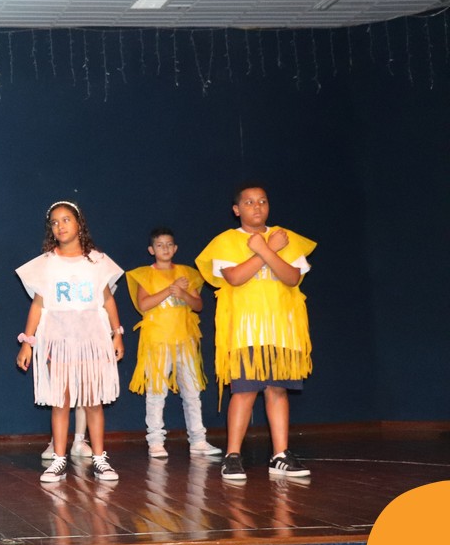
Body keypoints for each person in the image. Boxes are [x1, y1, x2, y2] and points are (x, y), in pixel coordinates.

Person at [196, 185, 315, 481]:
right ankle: (232, 455)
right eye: (249, 202)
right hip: (245, 330)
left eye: (262, 201)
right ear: (237, 210)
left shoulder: (284, 237)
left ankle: (280, 455)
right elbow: (235, 277)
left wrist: (266, 248)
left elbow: (292, 277)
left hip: (281, 328)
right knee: (244, 391)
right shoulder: (226, 241)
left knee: (277, 390)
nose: (257, 206)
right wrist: (267, 249)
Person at [16, 201, 125, 483]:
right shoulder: (46, 263)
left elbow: (107, 300)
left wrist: (117, 333)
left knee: (92, 400)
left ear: (78, 224)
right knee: (60, 401)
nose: (60, 226)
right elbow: (38, 305)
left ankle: (99, 458)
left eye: (66, 220)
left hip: (91, 339)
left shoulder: (97, 261)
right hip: (59, 339)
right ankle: (58, 459)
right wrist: (28, 342)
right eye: (54, 222)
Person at [126, 228, 222, 458]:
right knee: (156, 393)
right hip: (158, 341)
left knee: (192, 393)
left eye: (169, 244)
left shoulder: (186, 273)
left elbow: (198, 305)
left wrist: (183, 293)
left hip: (185, 340)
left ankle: (198, 440)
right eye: (160, 245)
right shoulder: (146, 275)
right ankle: (155, 441)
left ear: (175, 248)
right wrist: (170, 290)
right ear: (151, 250)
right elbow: (143, 305)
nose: (165, 248)